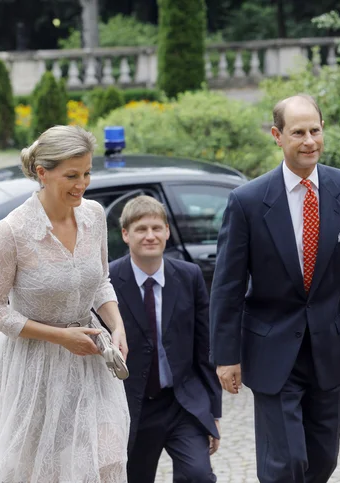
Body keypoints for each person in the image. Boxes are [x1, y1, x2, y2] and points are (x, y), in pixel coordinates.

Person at [210, 94, 340, 482]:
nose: (309, 141)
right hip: (271, 351)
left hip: (328, 347)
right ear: (277, 135)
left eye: (315, 131)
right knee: (284, 465)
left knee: (322, 461)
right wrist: (226, 356)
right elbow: (228, 286)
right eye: (298, 132)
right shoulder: (248, 202)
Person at [0, 125, 131, 483]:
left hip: (90, 362)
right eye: (71, 175)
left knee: (105, 460)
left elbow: (101, 280)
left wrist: (116, 326)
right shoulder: (14, 230)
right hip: (32, 368)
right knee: (38, 471)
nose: (81, 184)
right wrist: (59, 337)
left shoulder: (94, 215)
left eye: (86, 173)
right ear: (42, 172)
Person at [109, 195, 222, 482]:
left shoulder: (189, 275)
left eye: (157, 228)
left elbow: (205, 347)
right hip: (132, 406)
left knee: (199, 476)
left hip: (181, 403)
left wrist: (212, 412)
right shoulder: (108, 281)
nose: (150, 236)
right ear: (125, 234)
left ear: (167, 231)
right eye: (141, 229)